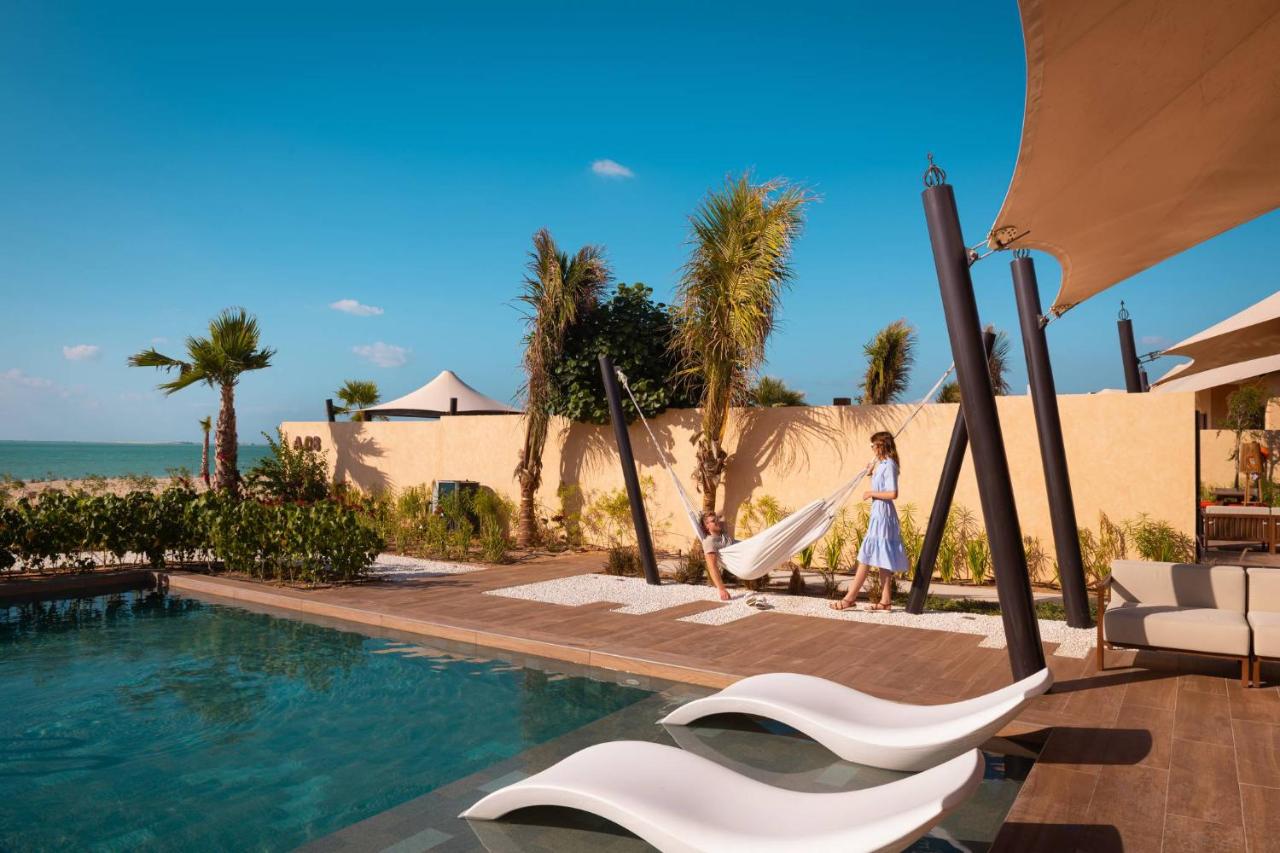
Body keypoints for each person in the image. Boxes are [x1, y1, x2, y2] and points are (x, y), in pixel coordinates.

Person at [831, 431, 908, 612]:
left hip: (883, 515)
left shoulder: (889, 465)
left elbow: (893, 493)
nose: (872, 448)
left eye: (873, 445)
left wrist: (870, 493)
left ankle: (850, 598)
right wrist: (871, 473)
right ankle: (885, 601)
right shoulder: (882, 464)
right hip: (878, 514)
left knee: (866, 555)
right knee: (882, 558)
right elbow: (882, 484)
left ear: (881, 446)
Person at [700, 510, 734, 601]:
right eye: (713, 521)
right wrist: (721, 589)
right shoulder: (709, 541)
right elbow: (712, 567)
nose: (717, 521)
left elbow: (723, 518)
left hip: (743, 547)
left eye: (717, 519)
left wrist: (714, 517)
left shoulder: (723, 532)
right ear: (706, 526)